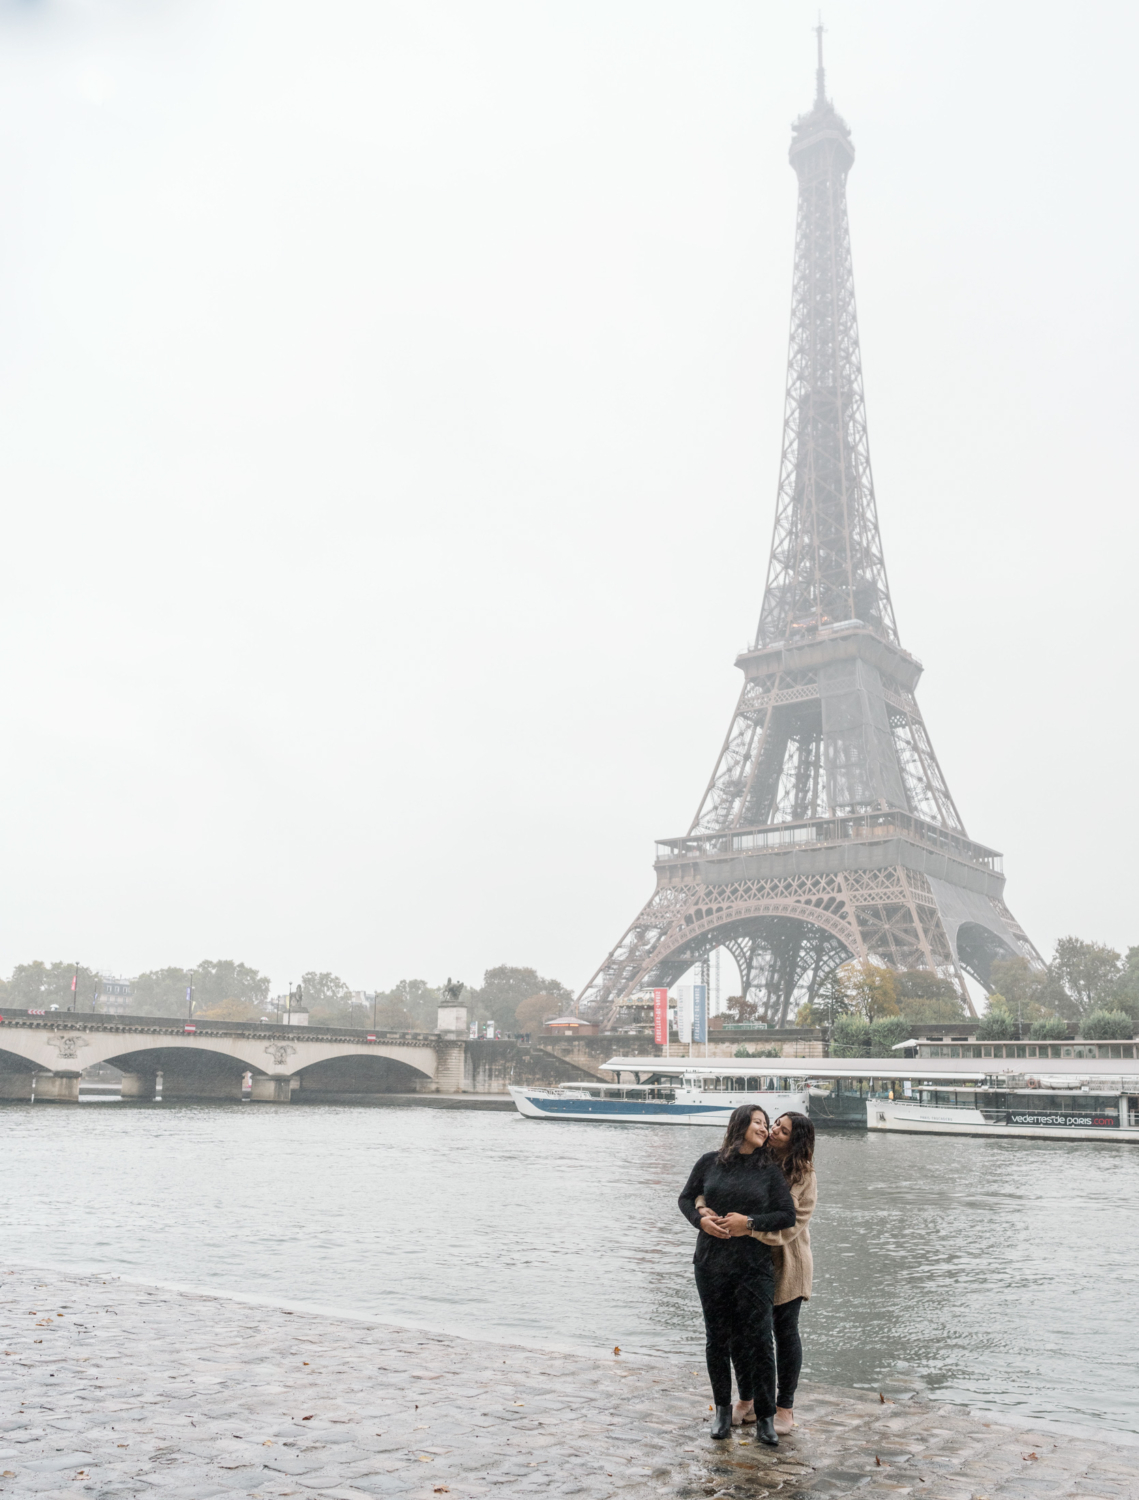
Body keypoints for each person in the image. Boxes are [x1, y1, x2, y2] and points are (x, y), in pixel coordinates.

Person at [677, 1105, 796, 1445]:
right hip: (710, 1263)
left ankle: (766, 1419)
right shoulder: (709, 1162)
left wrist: (750, 1224)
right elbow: (686, 1198)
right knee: (718, 1338)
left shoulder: (770, 1169)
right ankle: (721, 1412)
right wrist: (700, 1220)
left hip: (753, 1266)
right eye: (759, 1122)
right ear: (741, 1124)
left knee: (760, 1339)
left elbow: (786, 1215)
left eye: (767, 1124)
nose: (765, 1128)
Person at [737, 1111, 817, 1435]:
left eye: (782, 1131)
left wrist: (748, 1228)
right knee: (751, 1333)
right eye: (775, 1125)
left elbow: (792, 1226)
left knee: (784, 1333)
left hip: (789, 1261)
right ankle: (754, 1400)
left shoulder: (805, 1176)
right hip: (754, 1258)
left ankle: (785, 1408)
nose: (774, 1132)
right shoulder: (757, 1158)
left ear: (795, 1141)